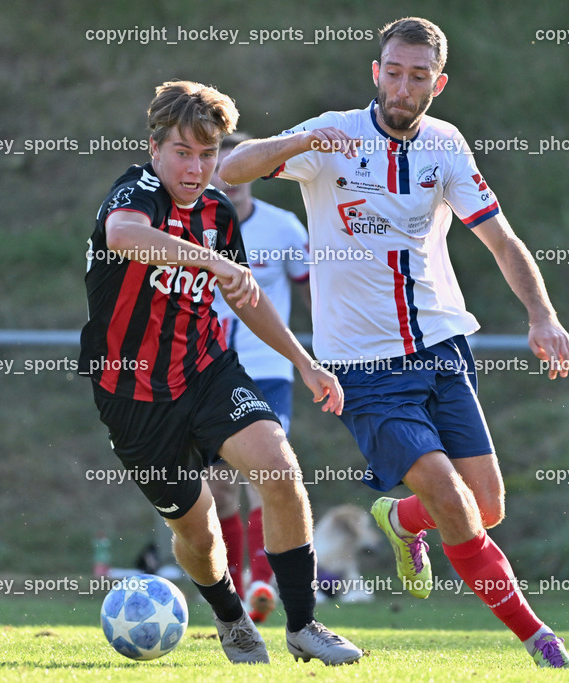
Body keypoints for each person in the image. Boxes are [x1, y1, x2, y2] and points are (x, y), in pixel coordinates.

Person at [218, 17, 569, 670]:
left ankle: (402, 519)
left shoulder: (445, 145)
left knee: (485, 505)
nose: (403, 85)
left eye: (418, 75)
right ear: (376, 71)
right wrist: (295, 139)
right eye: (394, 70)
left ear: (437, 84)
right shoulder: (332, 137)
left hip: (442, 347)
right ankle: (538, 637)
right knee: (448, 489)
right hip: (366, 369)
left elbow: (500, 239)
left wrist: (542, 313)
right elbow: (229, 166)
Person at [78, 80, 361, 666]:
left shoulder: (217, 211)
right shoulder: (136, 192)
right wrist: (207, 259)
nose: (197, 168)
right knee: (200, 532)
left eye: (208, 155)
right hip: (133, 395)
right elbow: (123, 236)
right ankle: (232, 619)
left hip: (207, 371)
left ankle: (303, 625)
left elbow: (247, 296)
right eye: (183, 152)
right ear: (155, 149)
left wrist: (304, 363)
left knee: (280, 469)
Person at [207, 132, 312, 624]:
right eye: (220, 162)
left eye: (238, 163)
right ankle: (235, 589)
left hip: (268, 371)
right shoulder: (191, 227)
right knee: (218, 487)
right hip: (207, 373)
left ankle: (264, 581)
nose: (230, 174)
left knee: (267, 475)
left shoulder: (284, 228)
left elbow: (314, 290)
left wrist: (326, 355)